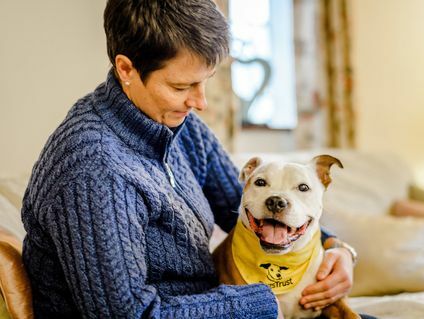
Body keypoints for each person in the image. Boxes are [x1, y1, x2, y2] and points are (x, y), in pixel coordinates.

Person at [21, 0, 365, 318]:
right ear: (126, 68)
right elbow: (130, 316)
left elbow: (243, 203)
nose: (199, 102)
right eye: (182, 86)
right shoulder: (94, 167)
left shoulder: (175, 123)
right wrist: (263, 302)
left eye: (205, 82)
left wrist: (336, 248)